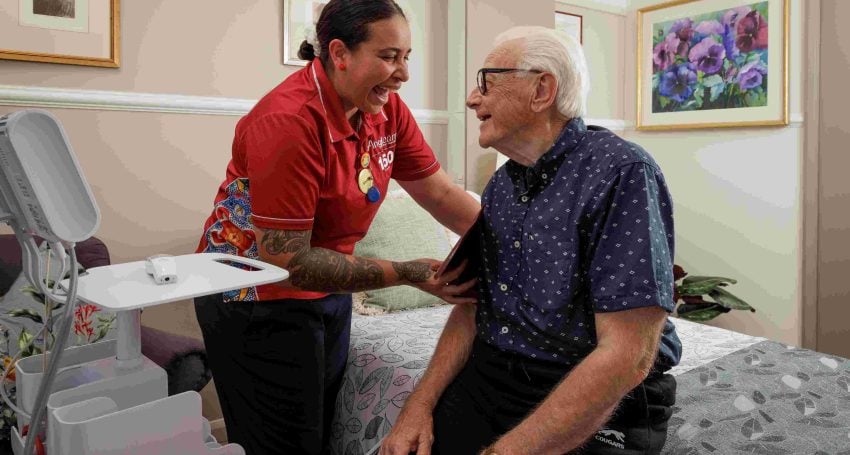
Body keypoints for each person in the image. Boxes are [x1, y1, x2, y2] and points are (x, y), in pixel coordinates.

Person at [193, 1, 480, 453]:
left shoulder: (386, 111)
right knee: (284, 445)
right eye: (388, 56)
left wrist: (517, 237)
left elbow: (441, 195)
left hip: (327, 286)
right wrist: (408, 272)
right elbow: (289, 262)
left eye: (407, 57)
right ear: (340, 53)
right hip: (254, 294)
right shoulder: (288, 121)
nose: (402, 73)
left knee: (322, 431)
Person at [381, 26, 682, 455]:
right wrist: (418, 405)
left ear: (542, 90)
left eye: (487, 82)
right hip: (496, 375)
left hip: (589, 381)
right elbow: (473, 307)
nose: (471, 99)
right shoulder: (502, 185)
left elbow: (628, 354)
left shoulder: (622, 172)